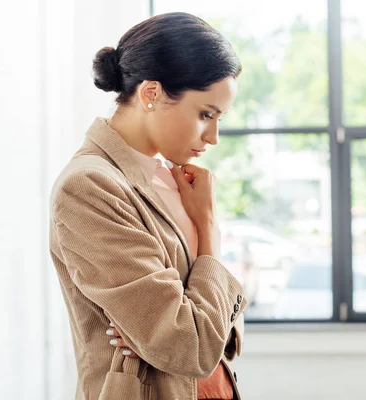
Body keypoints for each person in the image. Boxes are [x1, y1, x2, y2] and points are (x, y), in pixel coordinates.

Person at [49, 12, 246, 400]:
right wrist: (207, 229)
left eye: (219, 118)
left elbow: (221, 338)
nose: (215, 136)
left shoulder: (172, 181)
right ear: (151, 93)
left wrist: (186, 321)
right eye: (205, 114)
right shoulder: (89, 186)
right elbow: (189, 344)